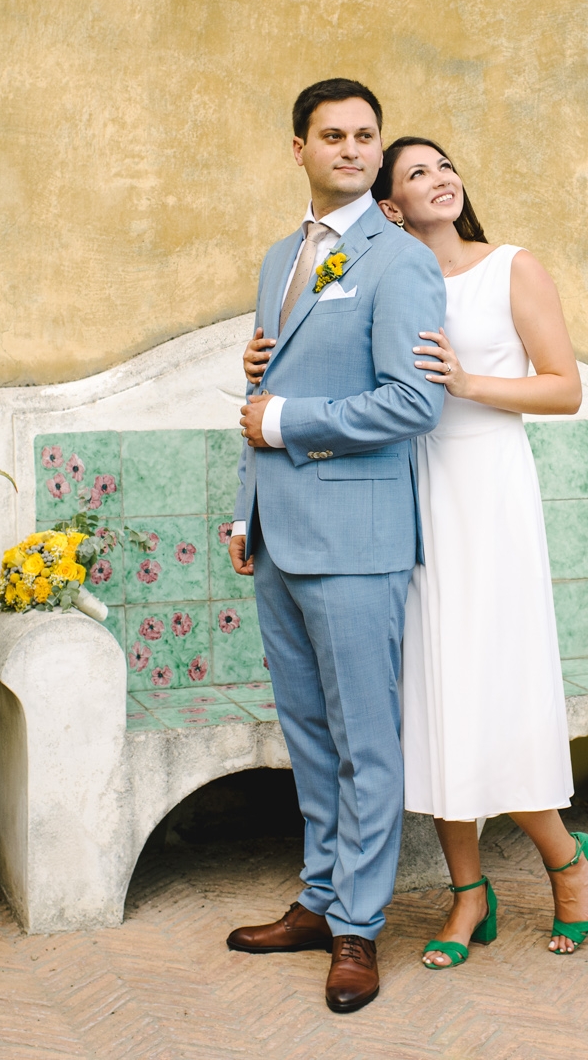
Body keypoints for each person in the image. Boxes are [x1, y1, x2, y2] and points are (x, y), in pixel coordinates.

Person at [245, 135, 588, 973]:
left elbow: (565, 387)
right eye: (417, 173)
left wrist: (468, 383)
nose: (440, 179)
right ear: (390, 204)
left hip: (485, 495)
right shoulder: (375, 271)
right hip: (404, 497)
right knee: (431, 696)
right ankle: (468, 889)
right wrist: (265, 360)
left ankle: (566, 863)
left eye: (445, 167)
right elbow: (324, 362)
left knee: (495, 687)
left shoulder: (511, 267)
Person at [222, 79, 446, 1014]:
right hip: (279, 537)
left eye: (366, 135)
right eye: (333, 134)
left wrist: (285, 421)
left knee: (365, 740)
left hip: (358, 538)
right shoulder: (282, 254)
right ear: (299, 148)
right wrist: (246, 511)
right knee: (309, 736)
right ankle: (317, 899)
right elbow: (258, 395)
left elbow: (413, 401)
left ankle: (359, 926)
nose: (352, 148)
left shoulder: (398, 263)